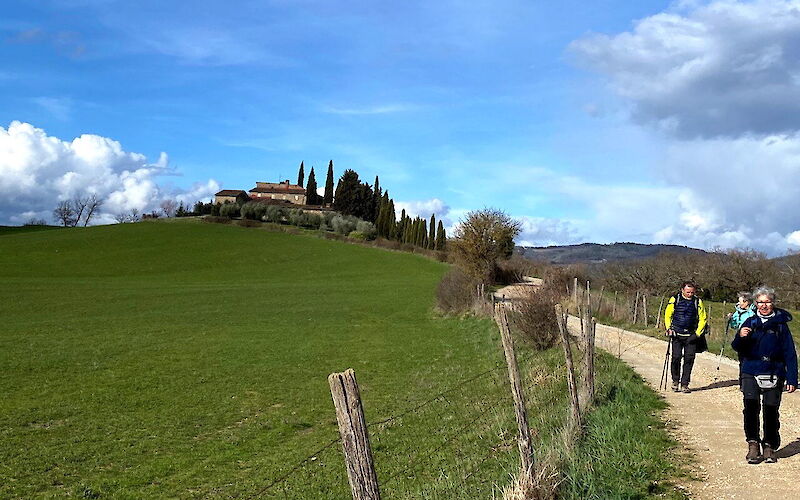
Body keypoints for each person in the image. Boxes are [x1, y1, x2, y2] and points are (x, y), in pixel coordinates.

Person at [732, 286, 797, 464]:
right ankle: (753, 445)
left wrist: (792, 378)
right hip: (751, 370)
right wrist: (740, 336)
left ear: (773, 303)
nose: (764, 305)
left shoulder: (781, 326)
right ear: (755, 304)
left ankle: (769, 446)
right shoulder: (750, 322)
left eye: (767, 302)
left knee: (770, 410)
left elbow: (790, 352)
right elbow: (737, 347)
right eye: (760, 302)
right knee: (751, 408)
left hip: (774, 371)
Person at [664, 281, 707, 393]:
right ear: (682, 290)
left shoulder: (698, 301)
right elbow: (668, 314)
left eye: (692, 292)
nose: (690, 294)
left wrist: (697, 333)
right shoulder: (675, 299)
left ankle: (685, 384)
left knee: (689, 359)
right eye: (688, 292)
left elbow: (703, 318)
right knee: (676, 358)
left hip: (691, 335)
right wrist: (669, 328)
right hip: (676, 334)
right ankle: (675, 381)